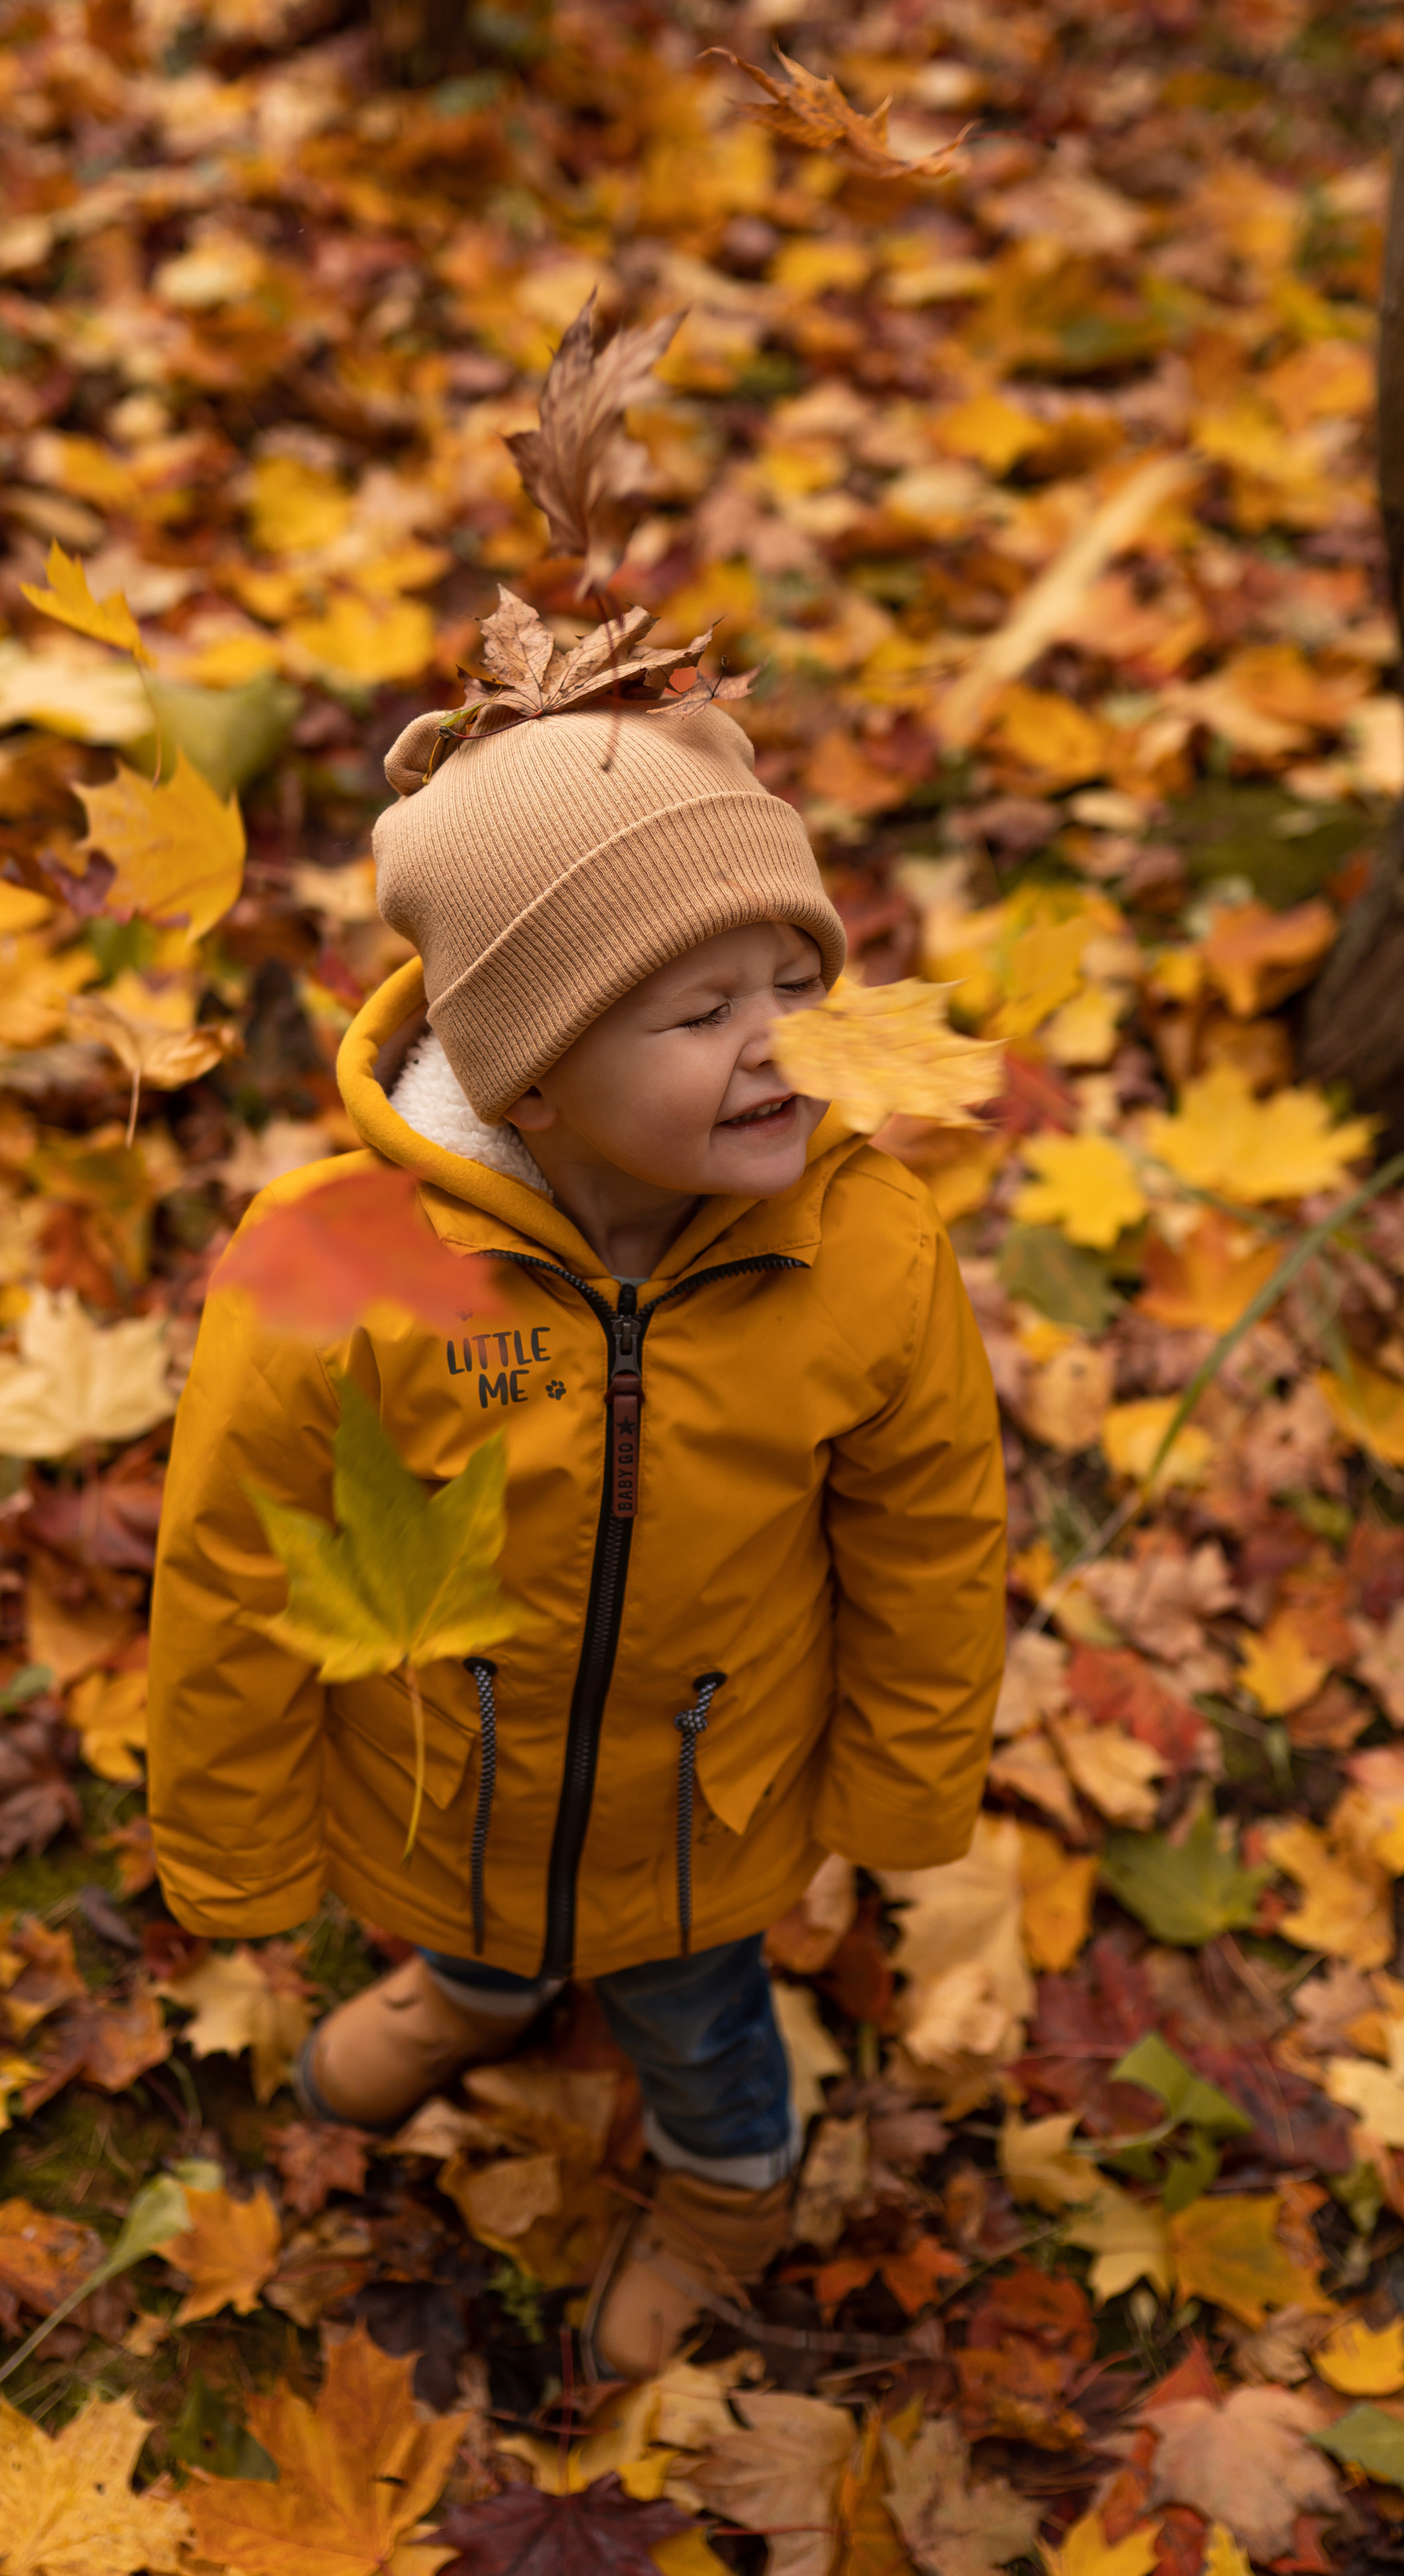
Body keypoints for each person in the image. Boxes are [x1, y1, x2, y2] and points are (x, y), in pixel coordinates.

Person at [148, 685, 1007, 2378]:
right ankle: (476, 1995)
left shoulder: (866, 1256)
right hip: (451, 1774)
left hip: (701, 1800)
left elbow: (928, 1543)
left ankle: (723, 2188)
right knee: (472, 1911)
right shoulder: (334, 1268)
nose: (773, 1040)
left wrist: (901, 1785)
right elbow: (231, 1567)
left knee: (697, 2025)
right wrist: (235, 1840)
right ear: (527, 1079)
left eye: (791, 985)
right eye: (697, 1010)